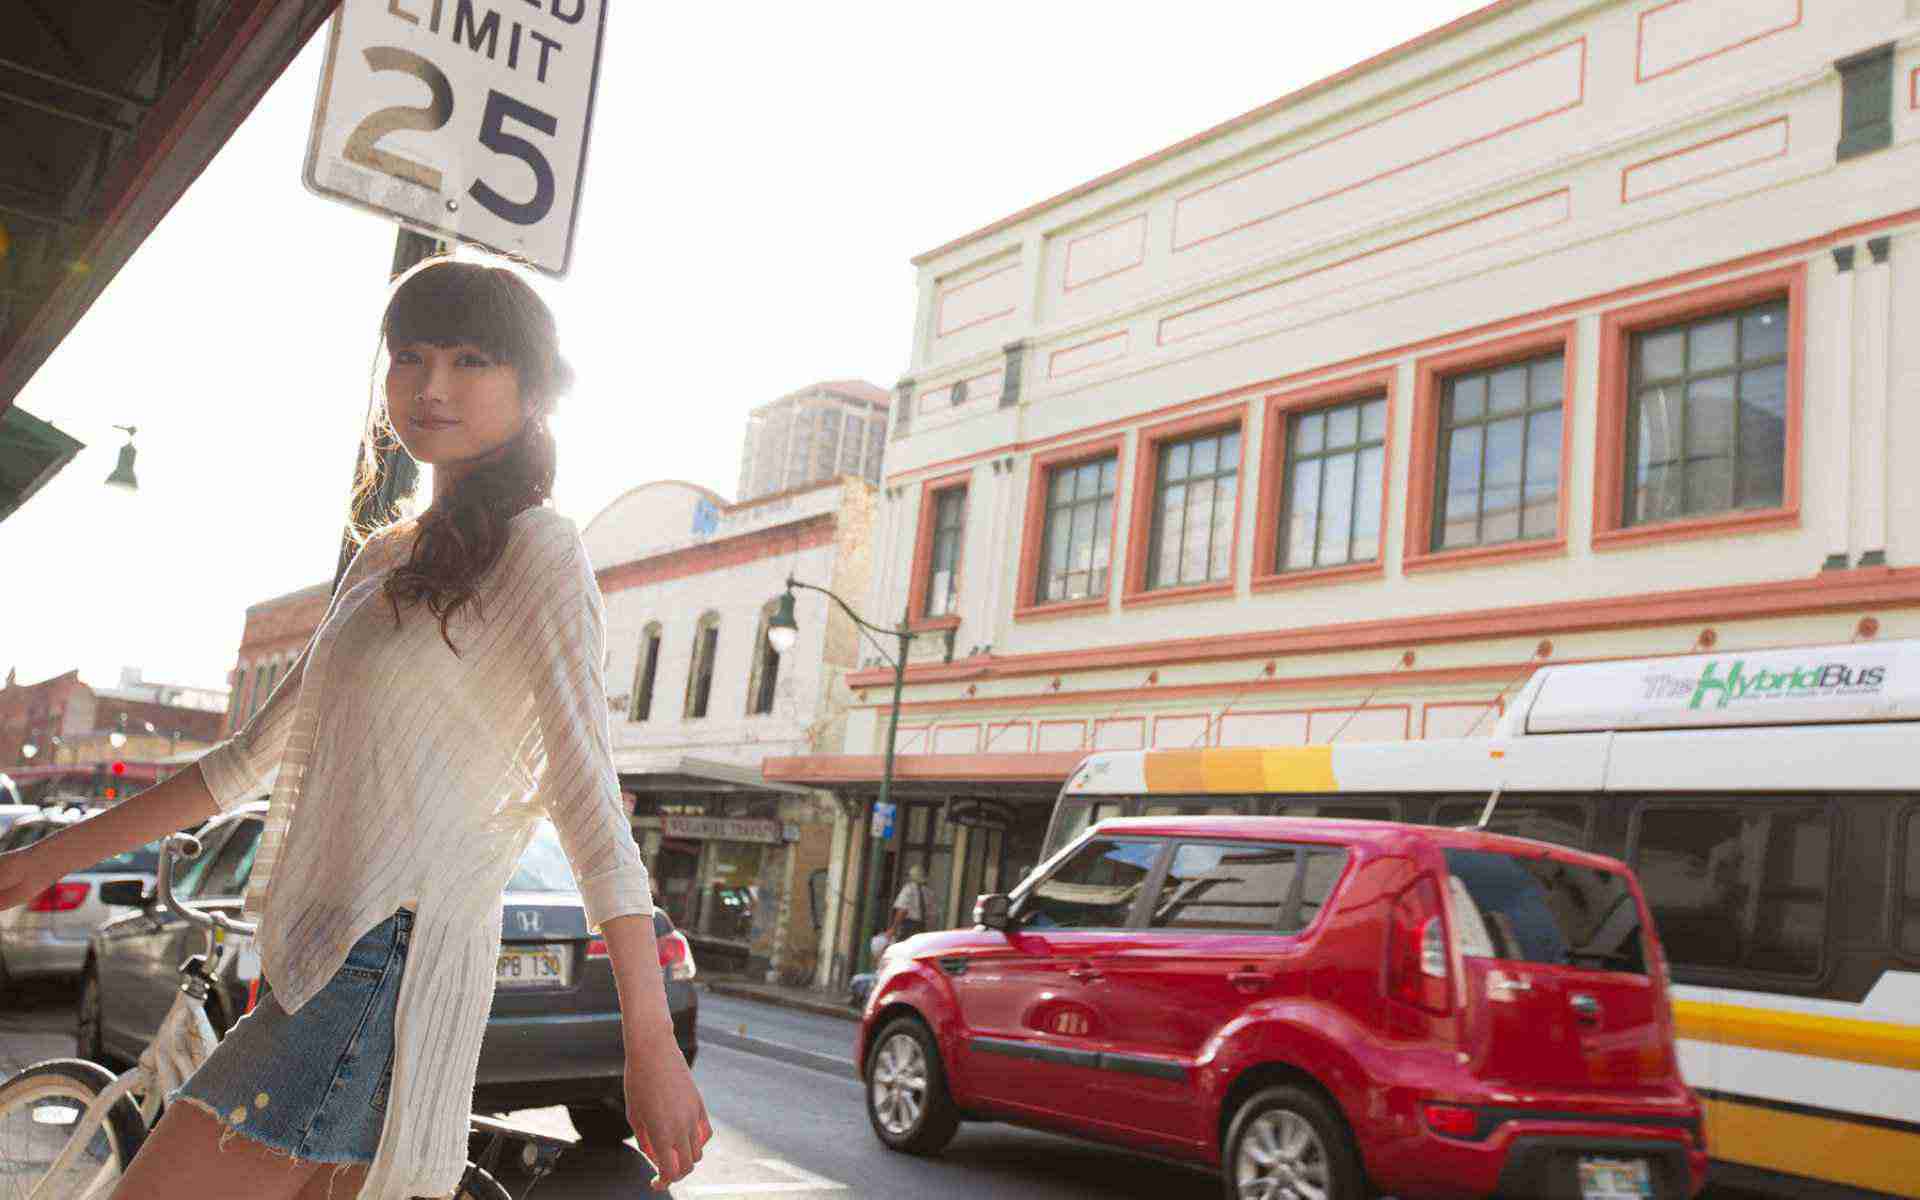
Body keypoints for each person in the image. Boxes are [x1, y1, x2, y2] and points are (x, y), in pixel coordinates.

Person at [0, 258, 710, 1200]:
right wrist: (47, 858)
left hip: (385, 964)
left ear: (533, 390)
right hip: (320, 959)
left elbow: (587, 803)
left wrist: (649, 1042)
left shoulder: (543, 550)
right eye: (409, 357)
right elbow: (245, 762)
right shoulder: (381, 558)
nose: (432, 386)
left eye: (470, 360)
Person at [888, 863, 934, 940]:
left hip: (909, 926)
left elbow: (902, 910)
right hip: (923, 927)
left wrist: (893, 928)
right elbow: (932, 914)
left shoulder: (908, 889)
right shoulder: (928, 892)